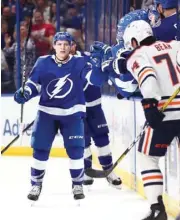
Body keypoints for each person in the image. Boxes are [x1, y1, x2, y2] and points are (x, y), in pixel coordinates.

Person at [13, 32, 108, 201]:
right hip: (47, 113)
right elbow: (33, 84)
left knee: (76, 150)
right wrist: (25, 93)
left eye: (66, 44)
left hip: (72, 114)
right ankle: (36, 184)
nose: (63, 47)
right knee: (40, 150)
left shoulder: (80, 62)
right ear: (54, 45)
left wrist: (100, 67)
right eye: (59, 44)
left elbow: (94, 80)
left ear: (71, 46)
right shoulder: (43, 62)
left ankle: (77, 184)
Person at [122, 20, 180, 220]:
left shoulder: (137, 55)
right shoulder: (175, 45)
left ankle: (158, 209)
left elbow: (147, 76)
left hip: (164, 111)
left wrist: (149, 104)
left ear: (134, 40)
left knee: (148, 157)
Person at [70, 40, 122, 188]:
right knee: (83, 142)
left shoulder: (88, 58)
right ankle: (86, 171)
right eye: (66, 44)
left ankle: (109, 171)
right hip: (76, 110)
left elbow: (101, 76)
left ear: (74, 45)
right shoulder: (61, 65)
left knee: (102, 139)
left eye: (71, 44)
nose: (69, 47)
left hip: (95, 107)